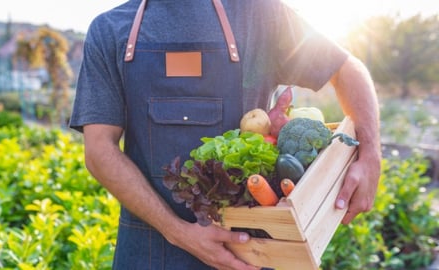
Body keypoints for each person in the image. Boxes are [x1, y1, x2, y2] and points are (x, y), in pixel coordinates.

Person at [69, 0, 381, 269]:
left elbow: (347, 70)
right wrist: (178, 232)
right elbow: (99, 150)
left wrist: (371, 155)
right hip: (148, 251)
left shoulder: (260, 15)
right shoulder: (110, 30)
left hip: (249, 251)